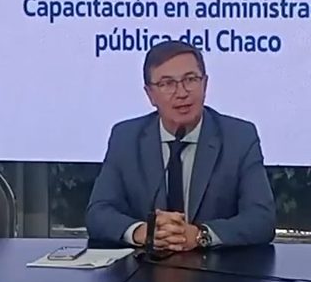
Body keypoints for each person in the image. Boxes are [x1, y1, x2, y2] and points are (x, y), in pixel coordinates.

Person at [86, 40, 276, 250]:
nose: (182, 92)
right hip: (144, 267)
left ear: (205, 84)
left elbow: (262, 219)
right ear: (150, 94)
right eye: (167, 83)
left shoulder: (239, 137)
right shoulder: (126, 138)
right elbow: (98, 213)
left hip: (216, 267)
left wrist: (200, 235)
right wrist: (144, 232)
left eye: (190, 79)